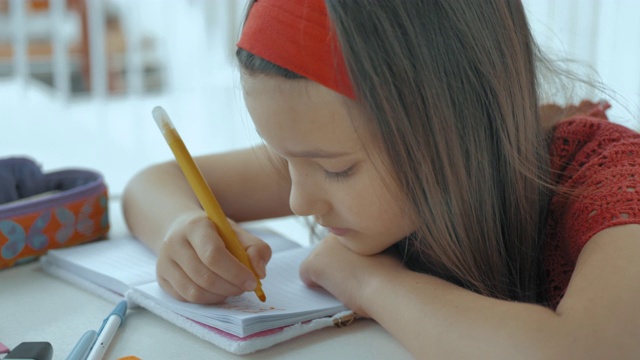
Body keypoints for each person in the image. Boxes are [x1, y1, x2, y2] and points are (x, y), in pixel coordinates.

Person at [122, 0, 640, 357]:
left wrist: (368, 282)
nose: (300, 199)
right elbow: (153, 183)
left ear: (453, 127)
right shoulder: (339, 145)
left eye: (335, 169)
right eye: (285, 159)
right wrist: (184, 230)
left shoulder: (606, 177)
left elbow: (588, 351)